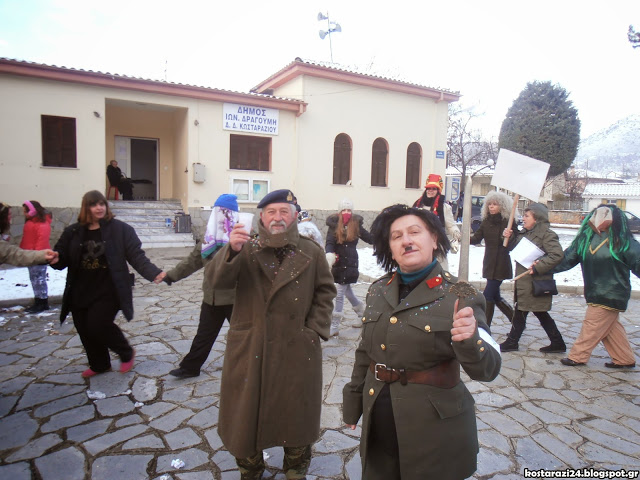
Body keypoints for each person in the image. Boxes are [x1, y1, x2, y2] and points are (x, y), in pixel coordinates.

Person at [342, 204, 501, 480]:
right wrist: (353, 402)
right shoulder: (378, 290)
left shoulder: (461, 295)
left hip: (434, 428)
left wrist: (469, 338)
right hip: (380, 418)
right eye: (396, 236)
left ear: (434, 238)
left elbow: (488, 369)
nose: (406, 240)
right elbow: (365, 353)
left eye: (415, 232)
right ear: (389, 248)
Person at [208, 188, 336, 480]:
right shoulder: (245, 248)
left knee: (297, 413)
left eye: (284, 212)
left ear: (294, 216)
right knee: (244, 414)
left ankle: (296, 467)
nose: (278, 218)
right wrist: (230, 251)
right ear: (261, 217)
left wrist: (313, 330)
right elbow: (216, 283)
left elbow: (325, 292)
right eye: (271, 212)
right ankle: (250, 469)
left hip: (296, 347)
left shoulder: (311, 251)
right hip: (251, 345)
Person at [51, 190, 165, 378]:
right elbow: (62, 257)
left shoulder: (121, 230)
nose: (99, 208)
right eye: (94, 204)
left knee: (97, 323)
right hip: (80, 290)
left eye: (102, 204)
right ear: (86, 207)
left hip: (110, 289)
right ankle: (99, 364)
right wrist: (54, 259)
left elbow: (136, 256)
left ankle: (126, 351)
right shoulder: (73, 232)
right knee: (84, 328)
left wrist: (153, 273)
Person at [554, 205, 639, 368]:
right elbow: (566, 259)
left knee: (592, 324)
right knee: (610, 327)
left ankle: (577, 356)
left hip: (613, 292)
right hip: (594, 291)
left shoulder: (623, 243)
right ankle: (624, 358)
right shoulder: (585, 239)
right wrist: (541, 267)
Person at [165, 194, 238, 378]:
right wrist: (170, 276)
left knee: (243, 336)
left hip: (235, 299)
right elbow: (192, 261)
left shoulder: (241, 239)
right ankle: (190, 368)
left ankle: (253, 367)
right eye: (218, 212)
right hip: (211, 298)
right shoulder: (209, 239)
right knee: (204, 335)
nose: (221, 216)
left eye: (226, 213)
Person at [500, 203, 565, 353]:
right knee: (531, 311)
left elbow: (557, 255)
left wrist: (538, 266)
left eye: (527, 216)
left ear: (537, 219)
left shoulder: (547, 235)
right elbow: (514, 249)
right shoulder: (525, 233)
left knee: (526, 311)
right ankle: (557, 342)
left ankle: (512, 341)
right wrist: (508, 238)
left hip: (535, 282)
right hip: (525, 282)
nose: (523, 219)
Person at [325, 199, 373, 336]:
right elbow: (329, 242)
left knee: (339, 294)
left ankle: (334, 326)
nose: (346, 213)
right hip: (339, 262)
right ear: (339, 212)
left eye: (349, 210)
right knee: (347, 292)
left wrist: (381, 237)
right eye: (344, 210)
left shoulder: (356, 224)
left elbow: (370, 238)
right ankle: (362, 316)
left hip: (351, 262)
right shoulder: (334, 225)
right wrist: (329, 253)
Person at [469, 191, 517, 326]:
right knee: (496, 297)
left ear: (501, 206)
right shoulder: (486, 222)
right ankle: (517, 322)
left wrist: (508, 236)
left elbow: (513, 244)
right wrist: (464, 237)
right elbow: (477, 238)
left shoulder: (508, 222)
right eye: (489, 204)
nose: (491, 206)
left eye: (495, 204)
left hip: (501, 264)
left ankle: (484, 327)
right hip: (489, 263)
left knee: (487, 296)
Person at [413, 173, 461, 268]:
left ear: (438, 191)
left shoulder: (444, 207)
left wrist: (456, 234)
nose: (431, 191)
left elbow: (450, 225)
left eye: (434, 189)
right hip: (419, 245)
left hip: (438, 244)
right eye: (429, 188)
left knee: (441, 271)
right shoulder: (417, 205)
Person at [20, 200, 53, 313]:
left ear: (33, 211)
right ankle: (37, 301)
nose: (24, 214)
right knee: (34, 280)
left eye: (25, 211)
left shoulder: (42, 224)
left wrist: (38, 256)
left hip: (38, 256)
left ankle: (43, 302)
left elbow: (42, 242)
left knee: (39, 280)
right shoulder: (31, 222)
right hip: (30, 255)